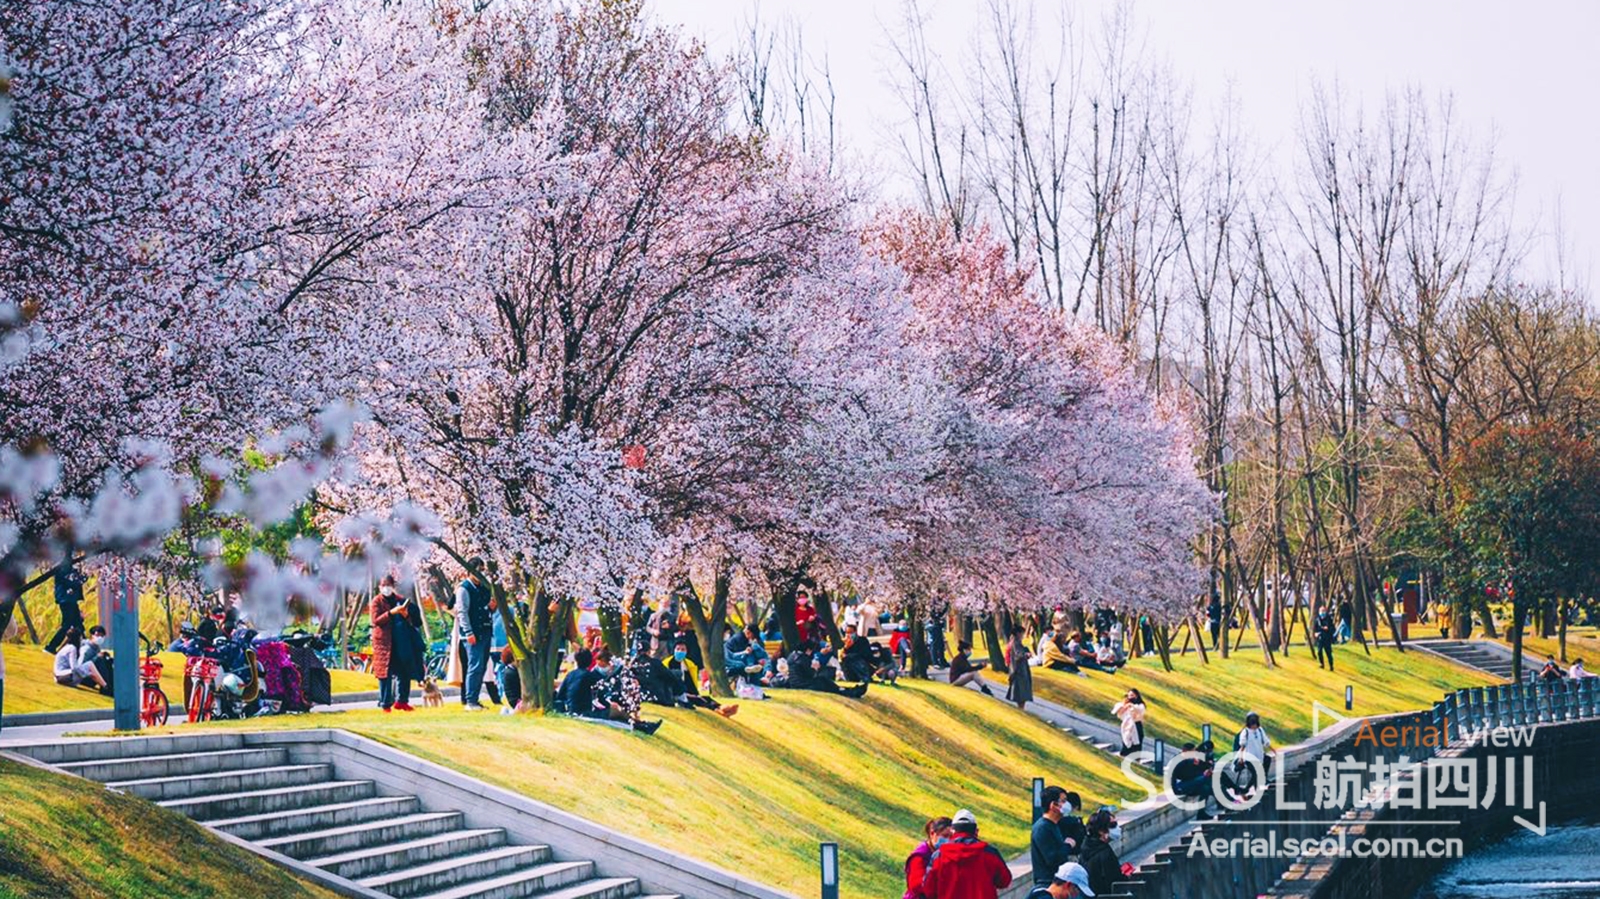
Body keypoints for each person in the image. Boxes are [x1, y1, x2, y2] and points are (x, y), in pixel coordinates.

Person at [921, 809, 1012, 899]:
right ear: (976, 831)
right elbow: (1005, 881)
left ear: (953, 831)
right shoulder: (990, 853)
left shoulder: (939, 856)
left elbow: (929, 889)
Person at [371, 575, 424, 712]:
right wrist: (391, 613)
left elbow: (416, 622)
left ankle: (402, 701)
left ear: (393, 586)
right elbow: (376, 621)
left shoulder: (400, 600)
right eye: (383, 585)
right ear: (380, 587)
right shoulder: (376, 602)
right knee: (385, 674)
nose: (386, 588)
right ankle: (385, 703)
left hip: (401, 642)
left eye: (388, 585)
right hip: (384, 642)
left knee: (404, 672)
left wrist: (406, 615)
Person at [455, 559, 495, 710]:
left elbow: (486, 609)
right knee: (475, 666)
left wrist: (491, 608)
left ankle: (475, 699)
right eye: (478, 570)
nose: (481, 573)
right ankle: (470, 700)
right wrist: (468, 632)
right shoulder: (464, 589)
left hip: (485, 630)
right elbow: (462, 612)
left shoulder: (485, 587)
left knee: (482, 666)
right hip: (472, 634)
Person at [1031, 786, 1076, 886]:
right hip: (1048, 884)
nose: (1067, 804)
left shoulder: (1054, 825)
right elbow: (1053, 859)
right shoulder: (1042, 828)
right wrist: (1068, 846)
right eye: (1063, 801)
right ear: (1053, 805)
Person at [43, 559, 87, 655]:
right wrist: (81, 579)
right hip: (66, 599)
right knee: (67, 625)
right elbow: (70, 582)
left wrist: (82, 577)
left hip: (70, 599)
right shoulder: (63, 569)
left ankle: (85, 645)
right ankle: (51, 646)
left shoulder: (69, 569)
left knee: (78, 623)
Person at [904, 816, 953, 899]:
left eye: (951, 837)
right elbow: (916, 885)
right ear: (932, 833)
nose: (948, 840)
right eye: (945, 836)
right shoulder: (919, 856)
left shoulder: (944, 854)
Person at [1077, 811, 1122, 897]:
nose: (1118, 828)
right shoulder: (1105, 853)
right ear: (1101, 831)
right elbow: (1115, 882)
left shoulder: (1086, 848)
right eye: (1113, 825)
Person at [1027, 862, 1096, 898]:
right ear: (1068, 885)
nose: (1075, 895)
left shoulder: (1040, 892)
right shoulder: (1043, 897)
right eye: (1076, 890)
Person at [1005, 629, 1033, 710]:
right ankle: (1021, 709)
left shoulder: (1017, 643)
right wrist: (1026, 655)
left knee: (1021, 692)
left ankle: (1021, 708)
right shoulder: (1015, 643)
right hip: (1019, 671)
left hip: (1020, 670)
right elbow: (1018, 655)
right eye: (1022, 633)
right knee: (1021, 693)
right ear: (1018, 633)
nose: (1023, 635)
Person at [1112, 689, 1145, 755]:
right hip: (1127, 725)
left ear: (1136, 696)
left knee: (1137, 743)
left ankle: (1136, 759)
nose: (1130, 697)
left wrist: (1132, 706)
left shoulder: (1140, 705)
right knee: (1126, 740)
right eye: (1129, 695)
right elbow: (1119, 714)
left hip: (1137, 725)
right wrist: (1126, 706)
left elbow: (1139, 713)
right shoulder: (1125, 704)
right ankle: (1124, 755)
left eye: (1132, 695)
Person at [1313, 606, 1336, 671]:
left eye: (1323, 611)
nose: (1322, 613)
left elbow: (1332, 628)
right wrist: (1315, 633)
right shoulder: (1317, 620)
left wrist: (1328, 629)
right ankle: (1321, 664)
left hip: (1327, 638)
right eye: (1321, 611)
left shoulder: (1329, 619)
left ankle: (1331, 665)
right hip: (1320, 638)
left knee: (1328, 653)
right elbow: (1315, 628)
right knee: (1319, 651)